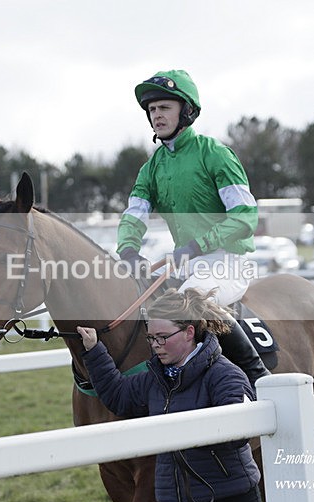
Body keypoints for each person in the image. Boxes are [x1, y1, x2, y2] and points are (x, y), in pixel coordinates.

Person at [117, 69, 270, 389]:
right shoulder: (152, 167)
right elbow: (134, 215)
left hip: (227, 262)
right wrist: (128, 250)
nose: (156, 115)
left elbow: (245, 217)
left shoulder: (215, 154)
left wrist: (199, 244)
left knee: (190, 300)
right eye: (152, 110)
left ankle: (258, 378)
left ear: (186, 111)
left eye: (164, 108)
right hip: (187, 263)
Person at [77, 288, 263, 502]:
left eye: (163, 337)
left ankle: (258, 368)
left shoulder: (225, 374)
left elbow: (238, 433)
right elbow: (118, 395)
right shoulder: (155, 378)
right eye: (151, 338)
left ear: (189, 332)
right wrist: (94, 351)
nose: (156, 346)